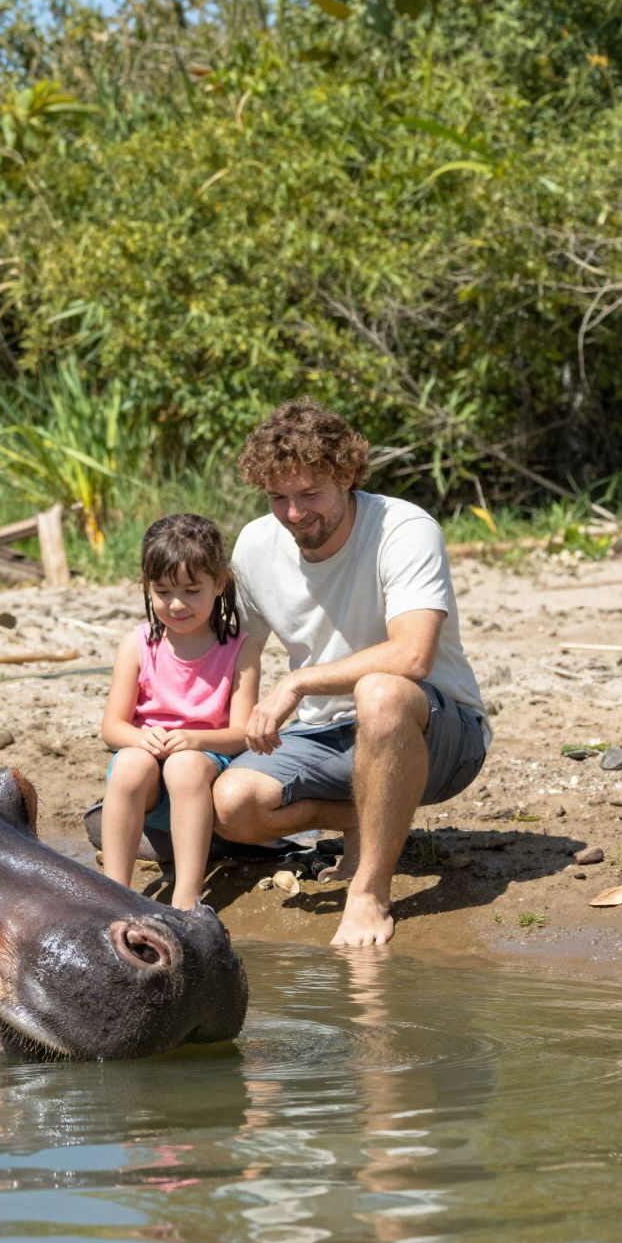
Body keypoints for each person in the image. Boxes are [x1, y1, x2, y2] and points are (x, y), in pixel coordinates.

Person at [213, 401, 489, 948]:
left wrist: (296, 682)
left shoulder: (404, 528)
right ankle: (366, 818)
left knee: (380, 691)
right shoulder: (255, 543)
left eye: (309, 494)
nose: (294, 513)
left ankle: (369, 892)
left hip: (438, 734)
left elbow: (413, 656)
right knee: (232, 805)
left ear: (346, 475)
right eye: (278, 498)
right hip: (324, 735)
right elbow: (240, 651)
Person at [98, 514, 260, 911]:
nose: (176, 603)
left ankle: (186, 900)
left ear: (219, 583)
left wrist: (194, 739)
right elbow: (112, 727)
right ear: (147, 586)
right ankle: (113, 895)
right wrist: (142, 738)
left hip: (204, 771)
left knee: (184, 765)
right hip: (148, 779)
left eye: (191, 590)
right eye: (163, 591)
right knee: (130, 762)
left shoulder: (241, 649)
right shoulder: (137, 645)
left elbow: (242, 733)